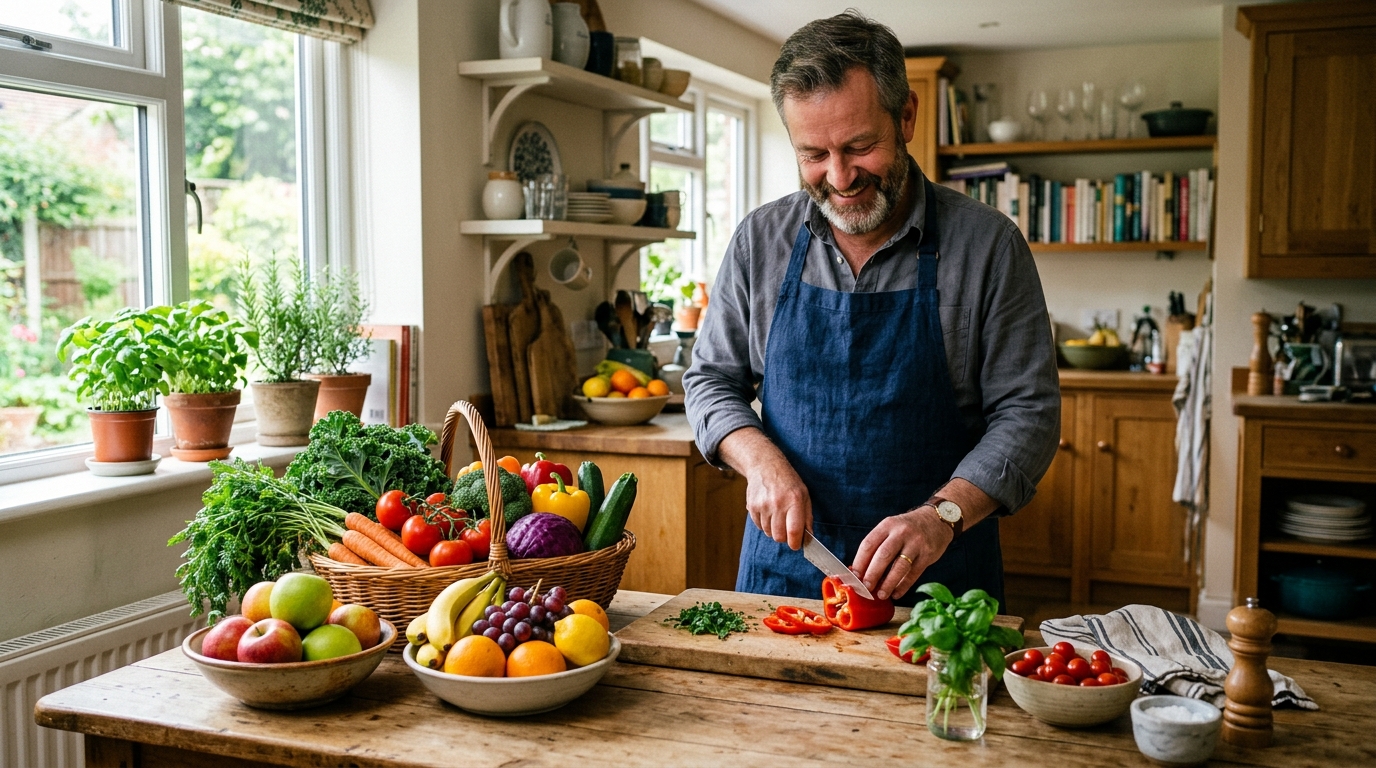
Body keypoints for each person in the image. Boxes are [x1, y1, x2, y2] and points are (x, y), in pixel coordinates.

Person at [682, 11, 1060, 609]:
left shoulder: (988, 246)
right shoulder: (761, 241)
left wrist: (944, 515)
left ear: (906, 116)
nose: (839, 176)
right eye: (813, 154)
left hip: (941, 587)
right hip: (784, 581)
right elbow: (709, 380)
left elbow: (1029, 413)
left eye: (860, 146)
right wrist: (757, 459)